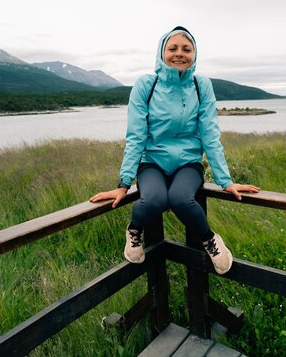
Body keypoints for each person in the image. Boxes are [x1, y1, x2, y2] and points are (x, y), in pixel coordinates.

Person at [89, 26, 259, 275]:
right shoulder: (146, 85)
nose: (179, 54)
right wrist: (123, 184)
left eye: (186, 49)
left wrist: (226, 181)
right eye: (173, 48)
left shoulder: (201, 86)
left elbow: (210, 135)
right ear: (161, 52)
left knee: (181, 199)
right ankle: (134, 231)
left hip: (188, 163)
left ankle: (210, 240)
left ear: (194, 54)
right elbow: (136, 136)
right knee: (153, 201)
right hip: (152, 163)